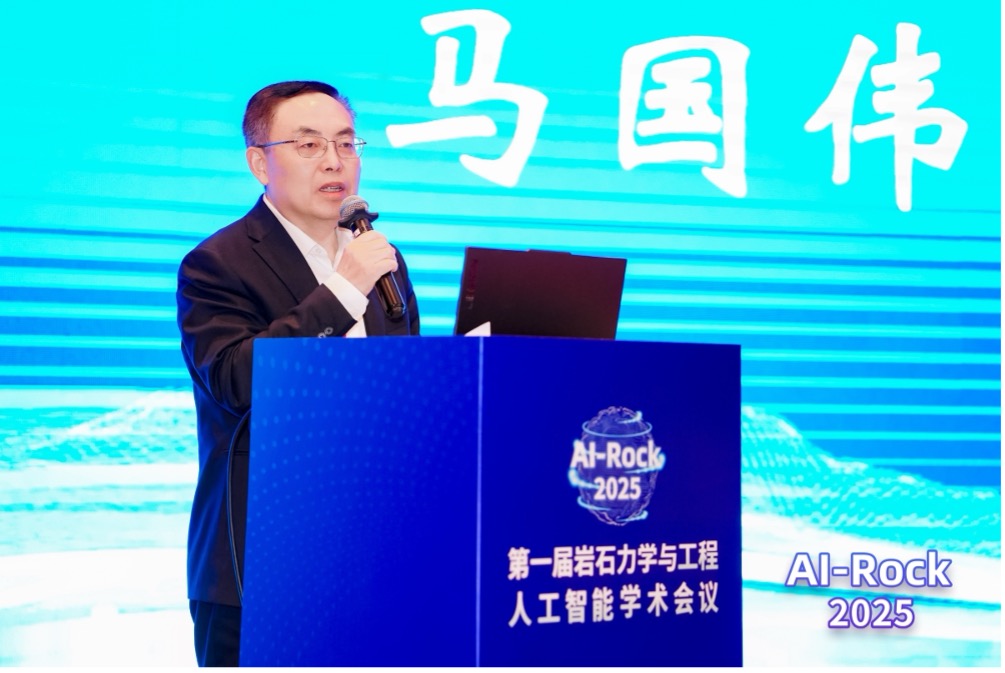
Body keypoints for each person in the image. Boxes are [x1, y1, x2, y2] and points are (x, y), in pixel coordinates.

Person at [176, 80, 419, 667]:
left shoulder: (381, 260)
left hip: (375, 560)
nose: (335, 161)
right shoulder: (217, 264)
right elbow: (235, 382)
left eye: (346, 143)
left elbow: (402, 393)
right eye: (309, 145)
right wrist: (342, 290)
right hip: (260, 564)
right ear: (260, 163)